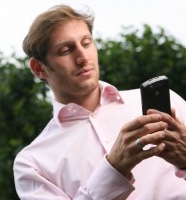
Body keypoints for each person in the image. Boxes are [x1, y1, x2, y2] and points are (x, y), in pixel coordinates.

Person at [13, 4, 186, 200]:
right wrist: (114, 168)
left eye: (86, 43)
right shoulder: (32, 163)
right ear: (38, 68)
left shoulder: (167, 102)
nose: (83, 57)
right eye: (66, 50)